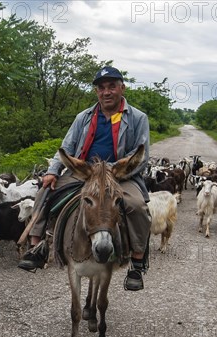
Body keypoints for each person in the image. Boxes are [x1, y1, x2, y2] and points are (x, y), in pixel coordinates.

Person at [17, 66, 152, 291]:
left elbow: (142, 156)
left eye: (111, 86)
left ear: (122, 88)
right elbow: (67, 146)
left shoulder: (137, 117)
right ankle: (38, 246)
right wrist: (52, 171)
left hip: (120, 174)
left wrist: (109, 171)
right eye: (101, 88)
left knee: (137, 206)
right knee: (45, 191)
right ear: (96, 92)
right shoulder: (85, 117)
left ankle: (137, 263)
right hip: (84, 172)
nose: (106, 92)